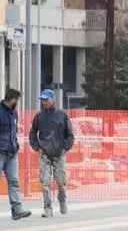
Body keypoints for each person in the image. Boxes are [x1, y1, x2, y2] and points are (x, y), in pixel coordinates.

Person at [29, 89, 74, 217]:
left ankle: (62, 200)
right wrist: (37, 147)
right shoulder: (39, 116)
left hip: (59, 154)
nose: (44, 102)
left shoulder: (62, 115)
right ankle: (47, 208)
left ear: (53, 99)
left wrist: (65, 148)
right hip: (44, 154)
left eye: (46, 99)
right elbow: (32, 133)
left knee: (61, 181)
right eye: (42, 100)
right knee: (44, 181)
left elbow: (70, 135)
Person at [0, 88, 30, 220]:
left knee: (14, 181)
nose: (17, 102)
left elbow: (14, 131)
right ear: (12, 99)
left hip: (12, 152)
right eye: (16, 100)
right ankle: (17, 209)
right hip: (0, 151)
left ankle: (17, 210)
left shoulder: (14, 113)